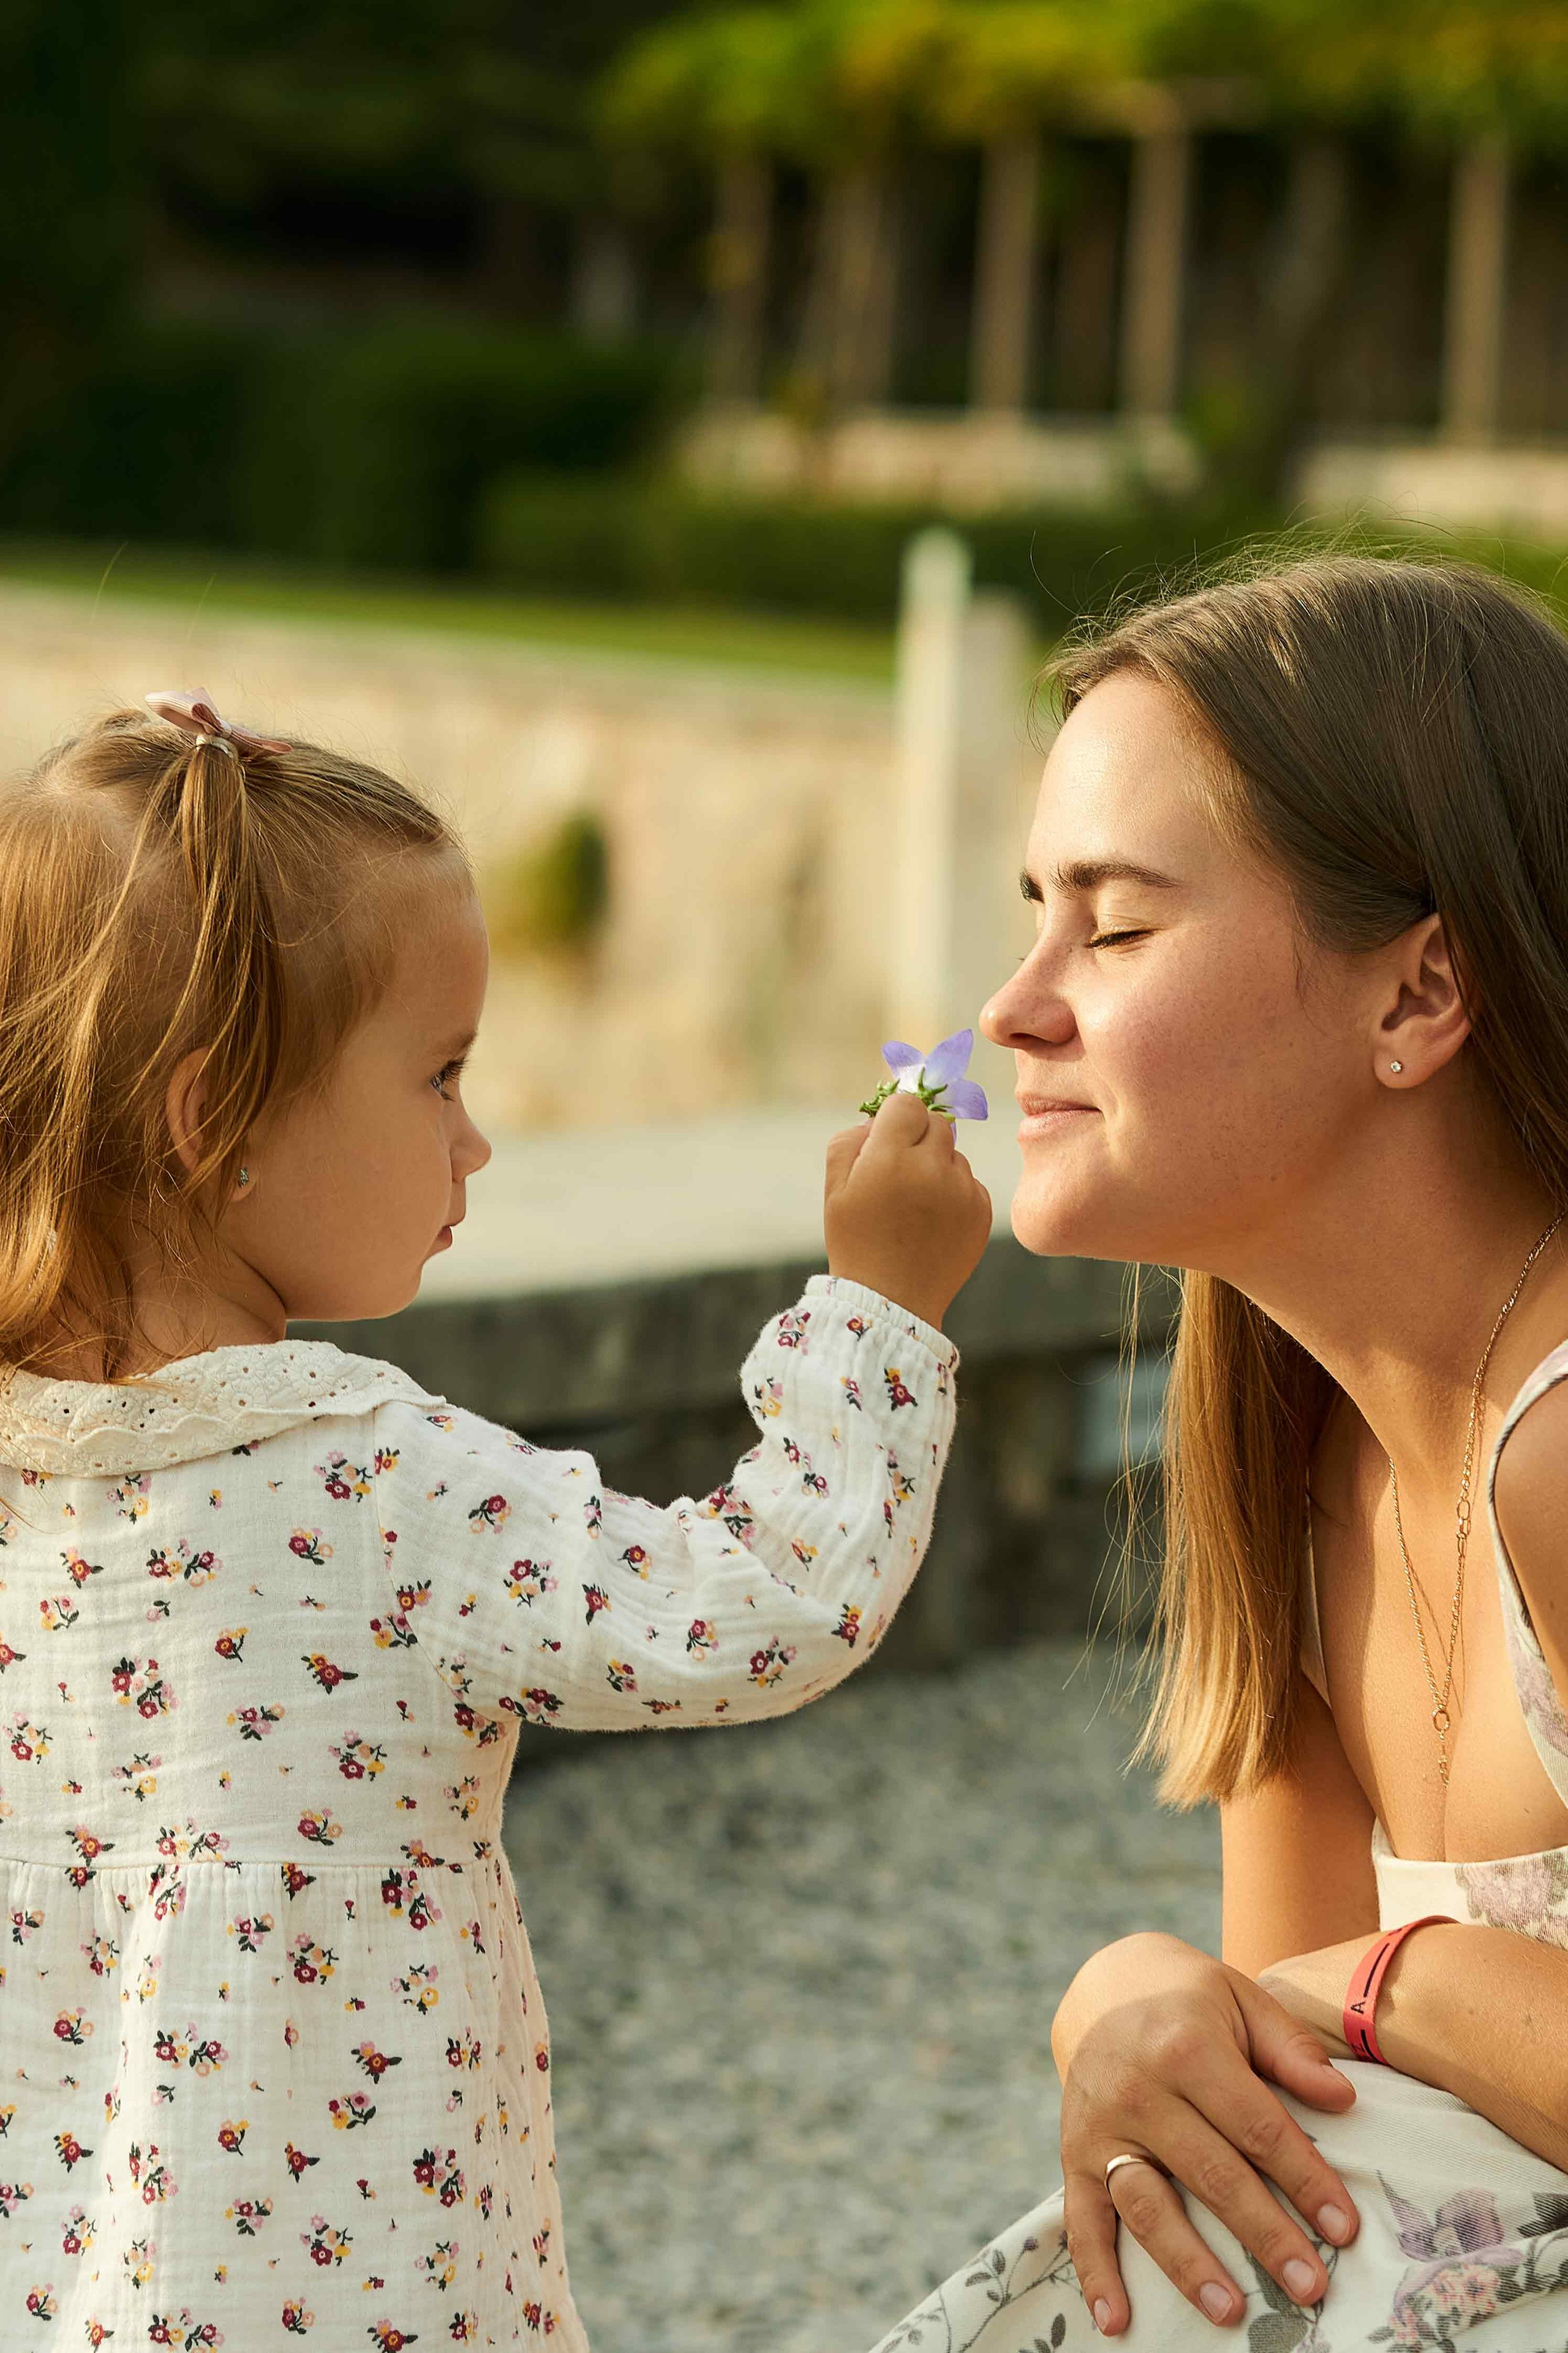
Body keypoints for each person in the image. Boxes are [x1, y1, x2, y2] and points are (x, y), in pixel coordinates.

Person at [0, 692, 991, 2351]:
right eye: (441, 1075)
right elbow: (761, 1602)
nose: (477, 1136)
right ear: (211, 1124)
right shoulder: (374, 1480)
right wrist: (882, 1304)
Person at [871, 556, 1568, 2353]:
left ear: (1418, 998)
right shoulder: (1295, 1445)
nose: (1012, 1008)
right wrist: (1123, 1999)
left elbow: (1339, 2002)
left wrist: (1393, 1979)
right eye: (1037, 914)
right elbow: (1295, 2066)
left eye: (1111, 926)